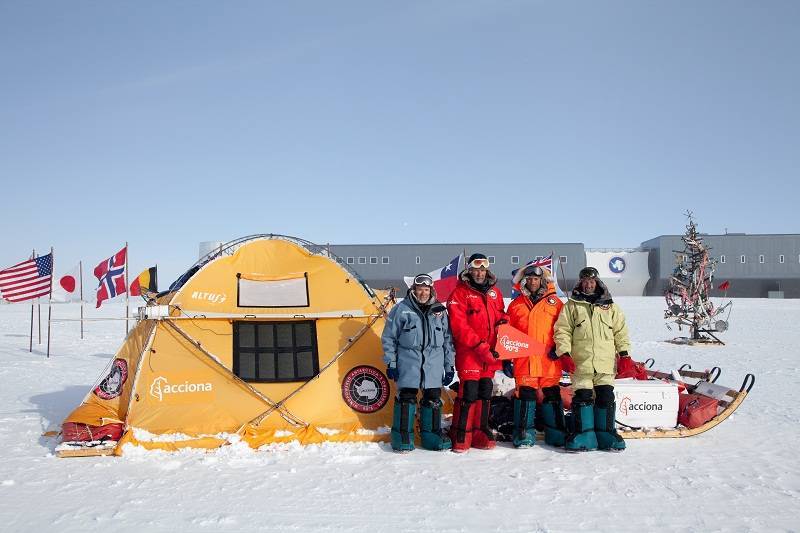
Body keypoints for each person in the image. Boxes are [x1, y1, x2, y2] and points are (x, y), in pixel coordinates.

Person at [553, 266, 631, 452]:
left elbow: (621, 332)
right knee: (583, 398)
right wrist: (564, 354)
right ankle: (584, 435)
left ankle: (606, 435)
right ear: (580, 282)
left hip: (605, 364)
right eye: (585, 281)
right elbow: (562, 331)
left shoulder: (610, 306)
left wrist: (625, 354)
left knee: (605, 397)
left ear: (597, 282)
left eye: (592, 281)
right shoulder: (571, 306)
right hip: (581, 364)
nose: (588, 284)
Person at [382, 274, 456, 452]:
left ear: (431, 290)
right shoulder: (401, 309)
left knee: (432, 399)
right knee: (406, 399)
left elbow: (448, 340)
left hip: (433, 365)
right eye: (419, 289)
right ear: (413, 289)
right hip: (409, 364)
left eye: (426, 289)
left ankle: (431, 436)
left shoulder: (440, 311)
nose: (423, 292)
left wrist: (449, 366)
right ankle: (402, 437)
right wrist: (391, 363)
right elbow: (389, 338)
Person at [446, 253, 508, 453]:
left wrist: (504, 324)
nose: (479, 273)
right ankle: (461, 433)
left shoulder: (495, 293)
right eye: (476, 269)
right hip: (471, 353)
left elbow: (501, 314)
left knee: (485, 389)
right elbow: (459, 327)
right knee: (469, 391)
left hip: (490, 355)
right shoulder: (459, 293)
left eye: (483, 269)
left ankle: (480, 430)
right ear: (469, 270)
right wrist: (481, 347)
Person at [506, 264, 565, 448]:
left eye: (536, 279)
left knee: (552, 396)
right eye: (529, 279)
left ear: (542, 280)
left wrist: (560, 348)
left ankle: (556, 434)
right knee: (525, 396)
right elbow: (507, 333)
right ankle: (524, 433)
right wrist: (507, 358)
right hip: (524, 360)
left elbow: (565, 330)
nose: (532, 282)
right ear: (524, 281)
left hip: (549, 359)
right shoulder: (516, 305)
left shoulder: (556, 303)